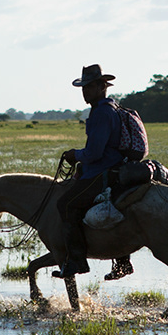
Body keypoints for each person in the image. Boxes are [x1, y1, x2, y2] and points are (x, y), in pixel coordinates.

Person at [55, 64, 126, 278]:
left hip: (103, 170)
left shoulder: (102, 112)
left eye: (89, 87)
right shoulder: (108, 108)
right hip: (107, 166)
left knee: (65, 204)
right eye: (83, 87)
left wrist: (74, 155)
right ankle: (122, 260)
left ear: (102, 86)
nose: (85, 92)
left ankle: (77, 261)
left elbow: (95, 152)